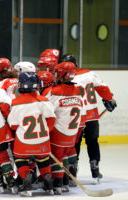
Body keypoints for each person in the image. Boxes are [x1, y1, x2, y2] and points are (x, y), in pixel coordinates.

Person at [60, 54, 117, 182]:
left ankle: (72, 170)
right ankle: (95, 170)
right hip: (92, 115)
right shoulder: (90, 74)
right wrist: (109, 99)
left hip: (77, 117)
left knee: (75, 144)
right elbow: (103, 88)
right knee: (93, 142)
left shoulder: (66, 78)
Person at [8, 72, 56, 196]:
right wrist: (45, 132)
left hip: (24, 141)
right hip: (43, 140)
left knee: (20, 159)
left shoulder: (16, 103)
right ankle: (48, 179)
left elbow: (13, 125)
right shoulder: (44, 100)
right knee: (43, 158)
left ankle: (26, 178)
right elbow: (51, 119)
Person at [45, 62, 84, 195]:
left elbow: (45, 109)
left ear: (63, 74)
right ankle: (66, 182)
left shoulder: (56, 91)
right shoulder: (77, 91)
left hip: (58, 132)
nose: (55, 75)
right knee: (65, 155)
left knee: (57, 157)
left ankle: (58, 184)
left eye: (57, 73)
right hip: (71, 133)